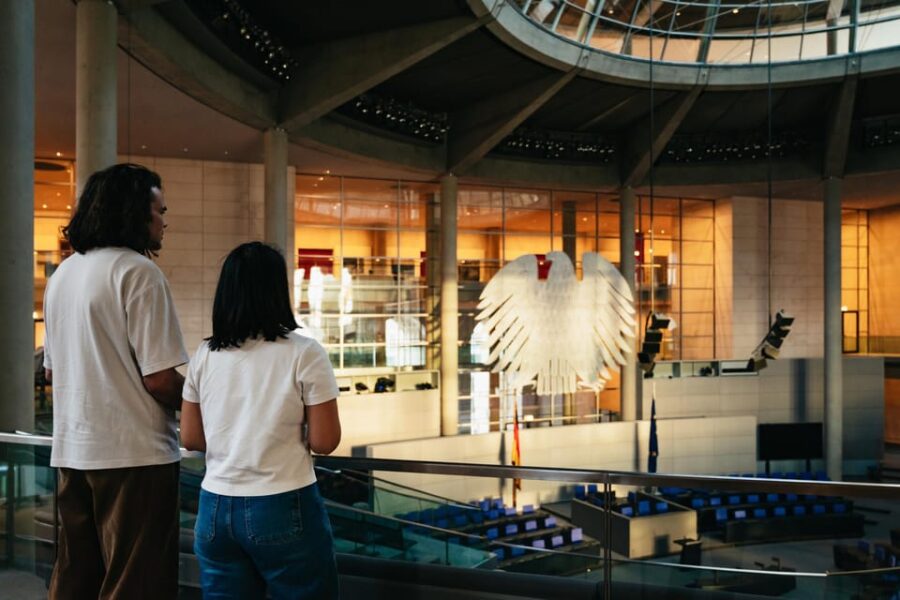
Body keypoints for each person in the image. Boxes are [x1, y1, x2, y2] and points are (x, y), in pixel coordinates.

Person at [43, 163, 188, 599]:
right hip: (134, 455)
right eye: (160, 210)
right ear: (135, 213)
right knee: (136, 582)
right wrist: (206, 403)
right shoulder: (139, 273)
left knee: (76, 576)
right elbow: (161, 379)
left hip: (72, 450)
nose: (165, 221)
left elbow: (51, 371)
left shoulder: (64, 274)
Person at [180, 242, 342, 600]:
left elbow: (191, 437)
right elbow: (325, 441)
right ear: (275, 291)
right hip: (282, 502)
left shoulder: (205, 354)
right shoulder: (305, 352)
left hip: (215, 507)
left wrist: (234, 436)